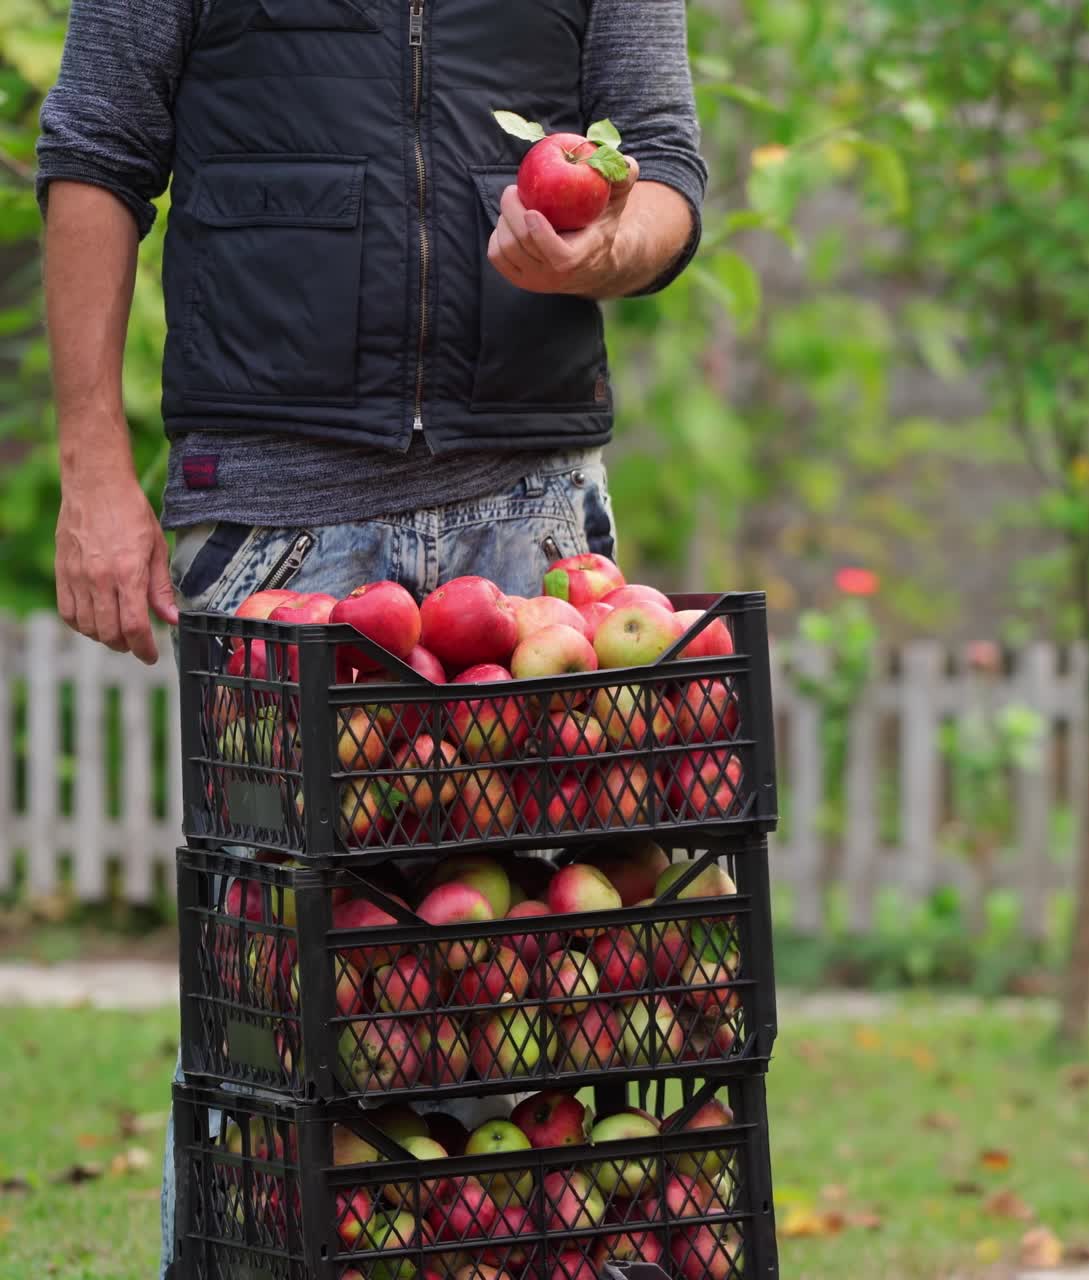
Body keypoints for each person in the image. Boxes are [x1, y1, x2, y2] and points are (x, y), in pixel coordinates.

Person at [35, 2, 706, 1273]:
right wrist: (92, 468)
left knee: (544, 1005)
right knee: (271, 1017)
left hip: (534, 519)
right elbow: (96, 149)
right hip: (279, 518)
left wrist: (603, 241)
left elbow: (664, 165)